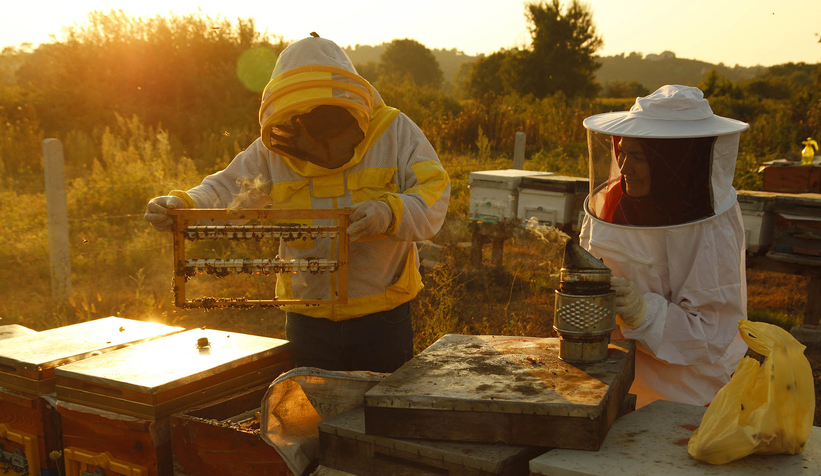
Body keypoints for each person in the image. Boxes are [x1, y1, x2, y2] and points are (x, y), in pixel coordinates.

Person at [144, 34, 450, 373]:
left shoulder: (394, 132)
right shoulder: (275, 145)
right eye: (306, 122)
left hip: (382, 316)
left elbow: (433, 191)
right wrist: (182, 206)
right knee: (310, 413)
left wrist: (389, 212)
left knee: (379, 412)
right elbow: (227, 189)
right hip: (308, 318)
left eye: (327, 122)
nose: (318, 140)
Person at [581, 85, 749, 408]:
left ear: (673, 162)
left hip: (687, 393)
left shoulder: (710, 225)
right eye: (622, 151)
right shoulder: (613, 201)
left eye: (639, 157)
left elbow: (710, 334)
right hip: (614, 375)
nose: (625, 167)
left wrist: (643, 313)